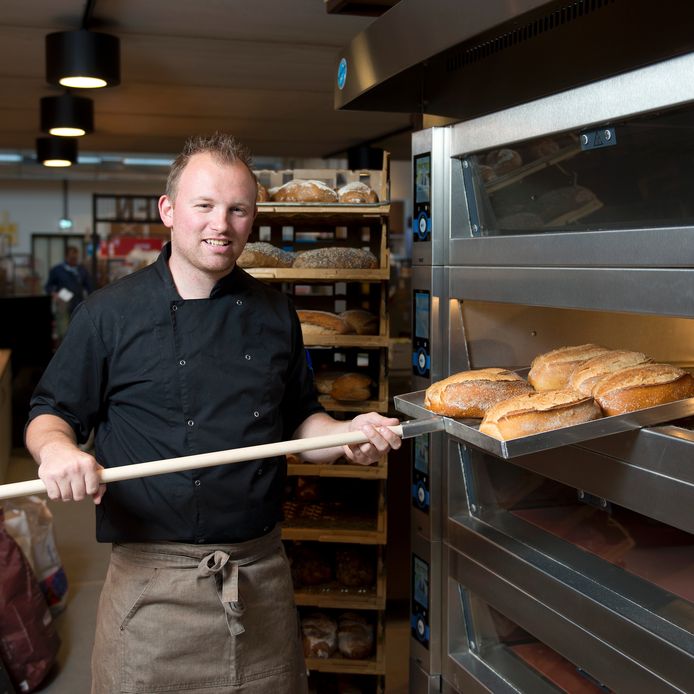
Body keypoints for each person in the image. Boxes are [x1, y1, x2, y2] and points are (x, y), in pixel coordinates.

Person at [25, 133, 401, 694]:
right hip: (153, 591)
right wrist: (57, 450)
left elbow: (302, 424)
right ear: (169, 210)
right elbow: (50, 412)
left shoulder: (276, 312)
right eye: (204, 205)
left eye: (237, 209)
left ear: (253, 219)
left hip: (259, 577)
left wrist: (348, 434)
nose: (219, 224)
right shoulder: (109, 314)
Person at [44, 244, 94, 317]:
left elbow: (90, 288)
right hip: (63, 302)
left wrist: (91, 301)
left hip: (78, 303)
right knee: (63, 326)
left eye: (75, 258)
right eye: (71, 258)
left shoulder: (82, 270)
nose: (74, 260)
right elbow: (48, 286)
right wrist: (54, 294)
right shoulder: (57, 270)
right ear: (66, 256)